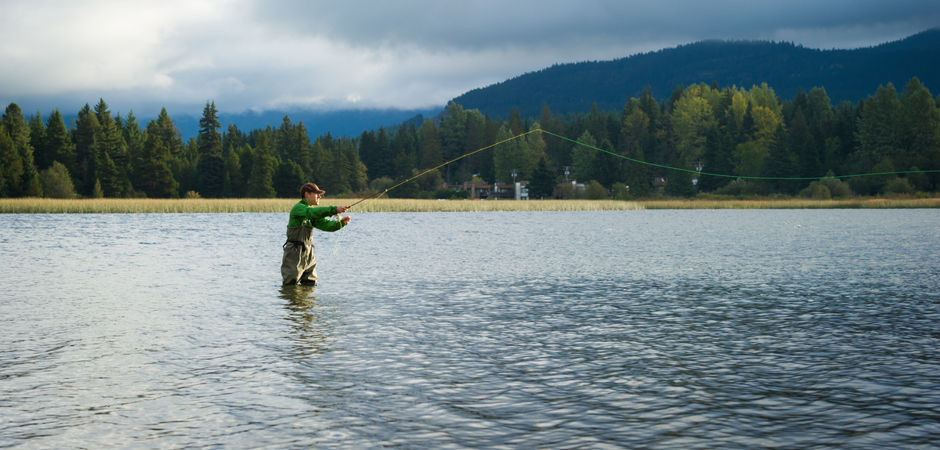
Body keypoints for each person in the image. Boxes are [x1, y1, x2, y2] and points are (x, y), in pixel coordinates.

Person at [281, 182, 351, 286]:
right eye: (316, 194)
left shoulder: (311, 212)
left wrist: (341, 223)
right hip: (294, 253)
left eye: (320, 194)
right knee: (290, 285)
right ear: (307, 194)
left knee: (311, 284)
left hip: (309, 253)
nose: (319, 197)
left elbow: (326, 225)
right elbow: (311, 213)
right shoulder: (299, 208)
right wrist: (334, 209)